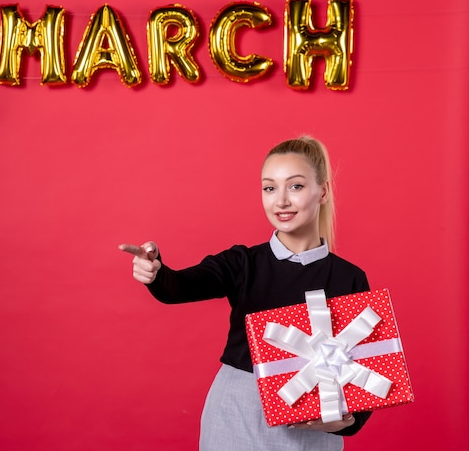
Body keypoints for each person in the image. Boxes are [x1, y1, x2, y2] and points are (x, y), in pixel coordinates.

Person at [119, 136, 372, 451]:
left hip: (313, 427)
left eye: (295, 186)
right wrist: (156, 273)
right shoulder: (243, 263)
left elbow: (365, 374)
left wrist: (343, 421)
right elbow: (180, 286)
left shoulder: (349, 278)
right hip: (236, 413)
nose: (280, 201)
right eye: (269, 188)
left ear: (322, 191)